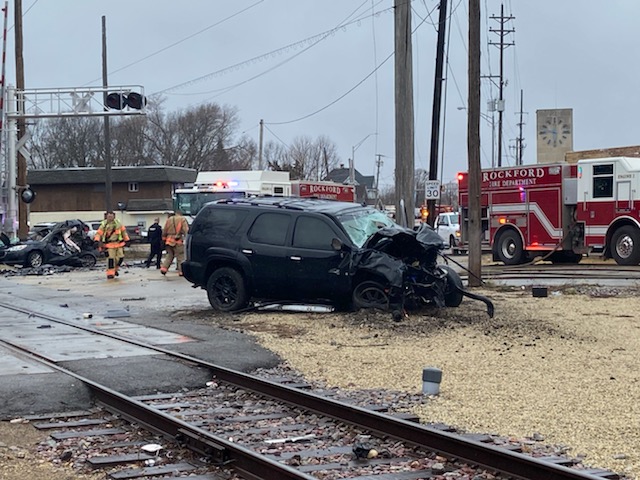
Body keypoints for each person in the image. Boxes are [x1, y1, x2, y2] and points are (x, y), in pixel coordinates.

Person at [94, 211, 130, 279]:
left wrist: (127, 240)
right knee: (111, 260)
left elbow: (124, 232)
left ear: (114, 216)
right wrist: (96, 240)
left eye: (111, 216)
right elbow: (99, 233)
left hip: (119, 244)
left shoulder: (118, 224)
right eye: (109, 216)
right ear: (106, 216)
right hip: (109, 245)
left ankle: (115, 269)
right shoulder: (104, 225)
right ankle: (110, 274)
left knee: (120, 258)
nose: (110, 217)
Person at [160, 210, 189, 276]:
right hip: (177, 240)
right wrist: (187, 239)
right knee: (180, 256)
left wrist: (163, 240)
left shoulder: (169, 219)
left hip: (168, 240)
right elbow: (186, 231)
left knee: (169, 255)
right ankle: (181, 271)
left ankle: (164, 268)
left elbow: (164, 231)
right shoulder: (182, 219)